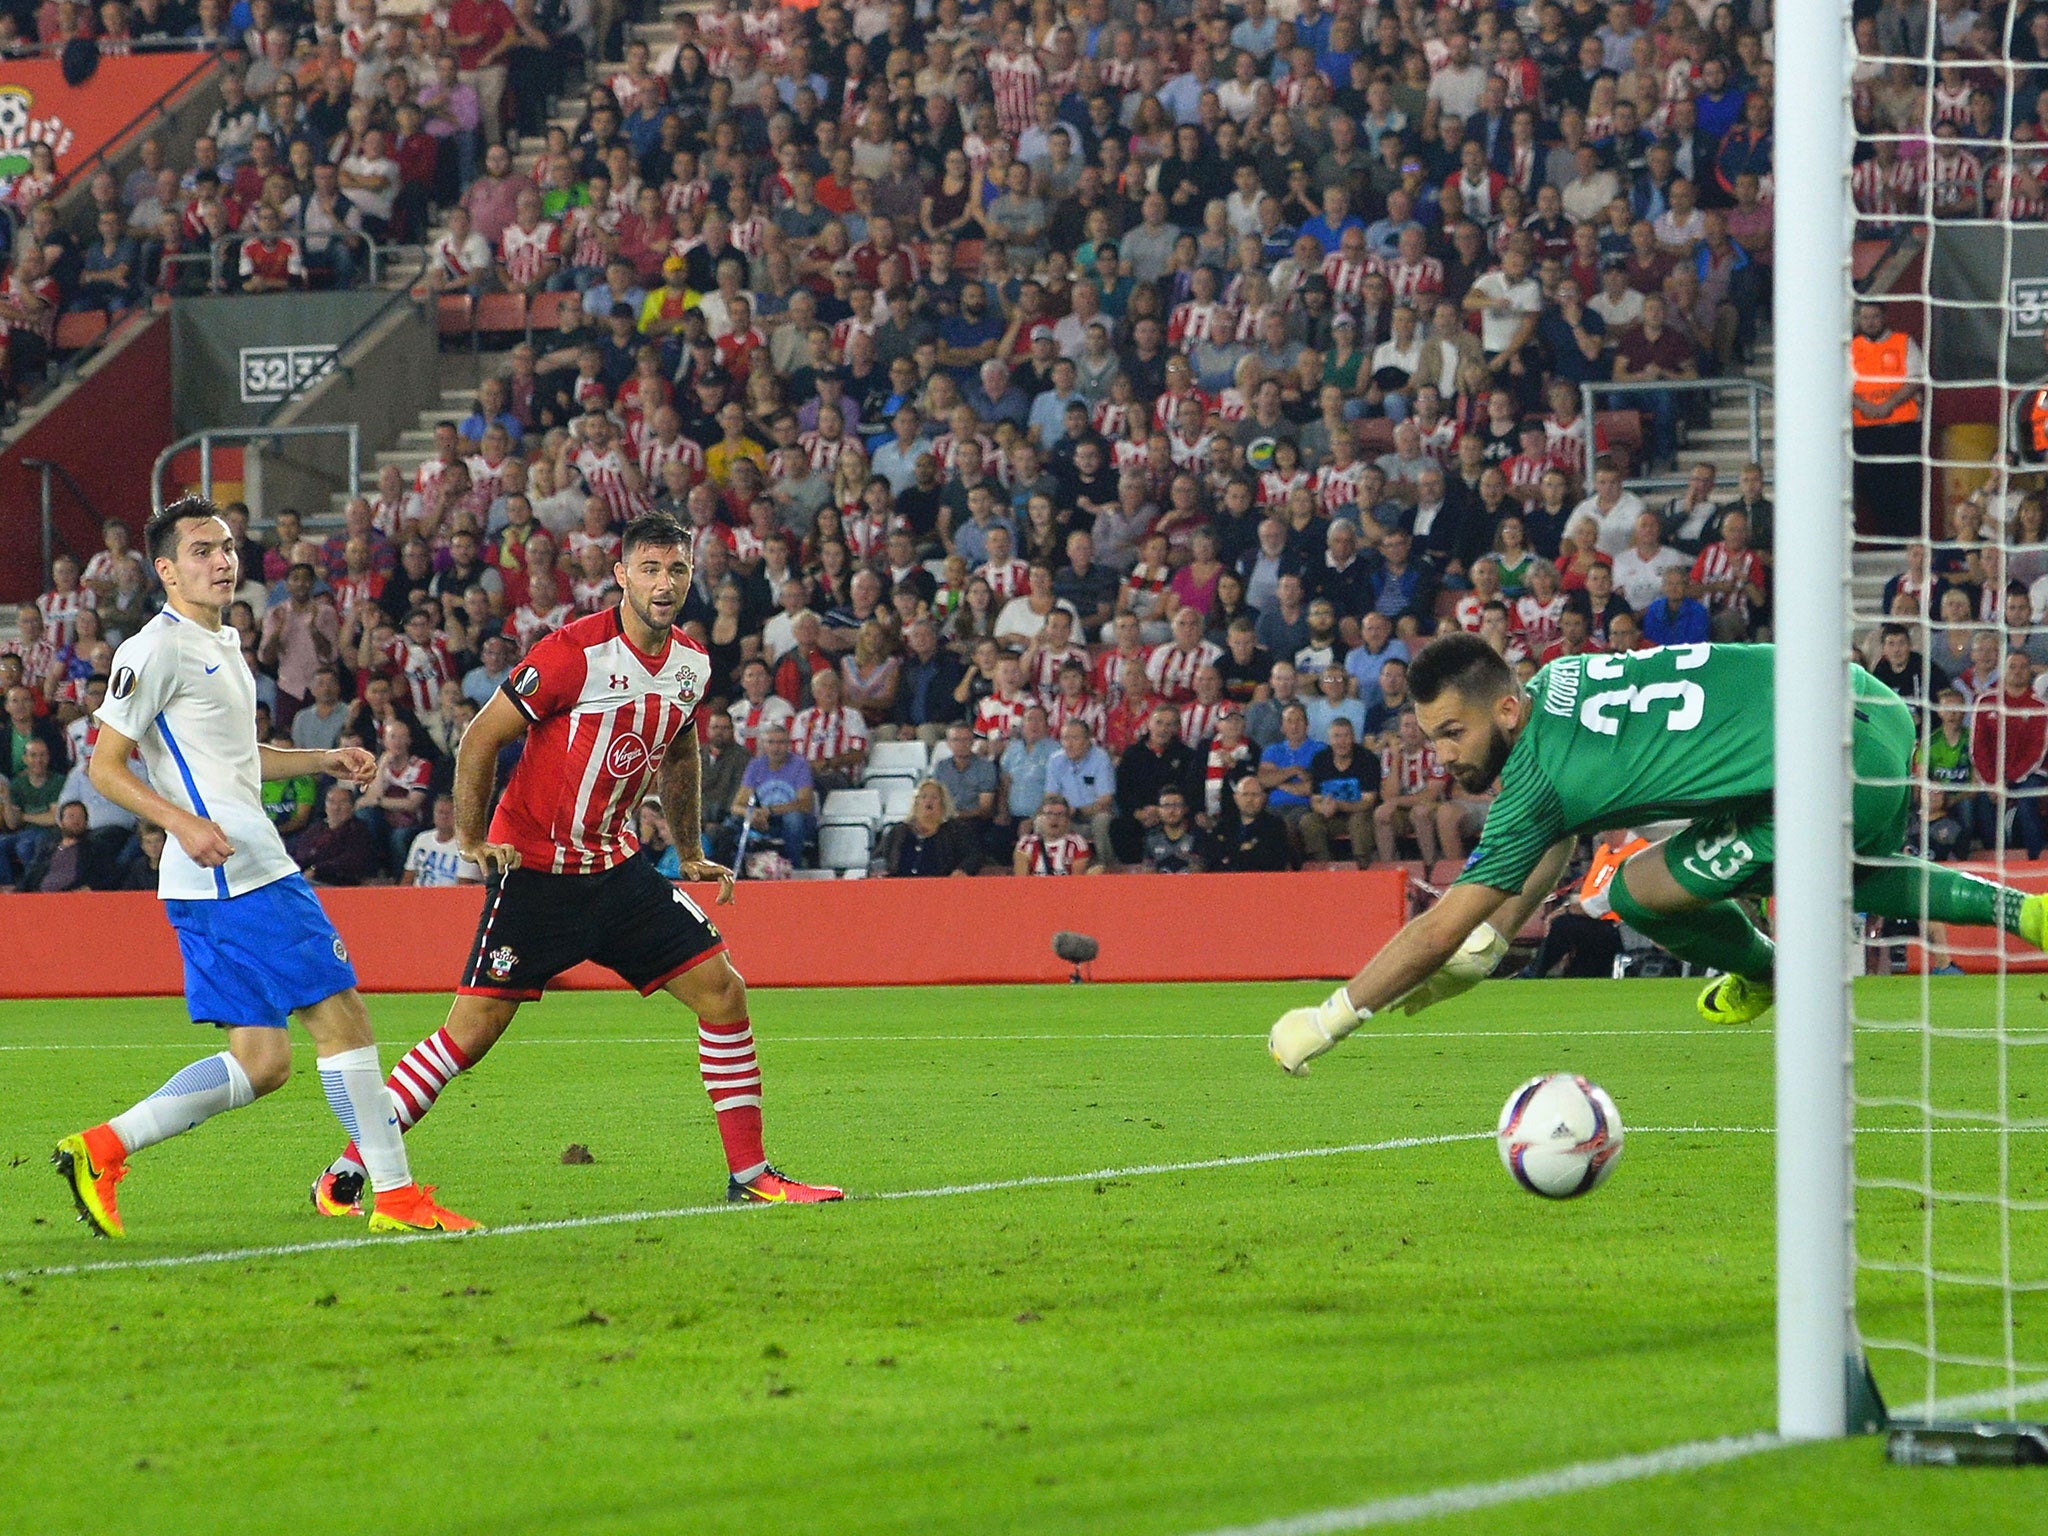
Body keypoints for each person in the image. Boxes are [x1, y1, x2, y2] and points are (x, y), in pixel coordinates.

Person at [311, 514, 841, 1212]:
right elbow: (479, 739)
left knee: (724, 992)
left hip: (618, 872)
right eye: (649, 569)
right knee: (467, 1036)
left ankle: (751, 1176)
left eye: (676, 570)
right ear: (621, 575)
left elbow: (680, 749)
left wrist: (689, 850)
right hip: (535, 874)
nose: (663, 583)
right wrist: (471, 840)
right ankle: (347, 1170)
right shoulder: (571, 654)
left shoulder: (691, 664)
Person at [1268, 635, 2048, 1076]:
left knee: (1639, 893)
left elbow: (1437, 928)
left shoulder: (1536, 779)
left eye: (1452, 734)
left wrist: (1332, 1016)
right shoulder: (1559, 680)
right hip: (1870, 707)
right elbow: (1561, 833)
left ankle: (1764, 971)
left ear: (1505, 711)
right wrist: (1501, 938)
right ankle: (2029, 911)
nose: (1442, 758)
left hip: (1822, 761)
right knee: (1844, 865)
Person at [52, 498, 473, 1239]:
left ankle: (101, 1148)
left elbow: (237, 761)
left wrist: (323, 760)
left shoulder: (222, 642)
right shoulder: (154, 648)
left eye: (225, 548)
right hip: (236, 869)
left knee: (262, 1059)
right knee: (341, 1016)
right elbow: (106, 766)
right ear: (165, 571)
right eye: (201, 551)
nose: (220, 561)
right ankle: (398, 1198)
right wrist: (180, 822)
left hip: (214, 877)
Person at [1520, 828, 1650, 978]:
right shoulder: (1604, 851)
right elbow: (1591, 892)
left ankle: (1533, 972)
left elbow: (1607, 901)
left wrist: (1567, 910)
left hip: (1620, 928)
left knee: (1563, 924)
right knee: (1577, 970)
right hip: (1593, 923)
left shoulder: (1638, 854)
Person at [871, 779, 983, 877]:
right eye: (923, 796)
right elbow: (879, 857)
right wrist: (879, 869)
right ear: (916, 803)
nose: (928, 801)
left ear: (943, 804)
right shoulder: (898, 831)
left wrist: (962, 870)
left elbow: (974, 855)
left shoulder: (955, 830)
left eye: (934, 797)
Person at [402, 793, 481, 887]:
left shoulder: (467, 845)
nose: (444, 817)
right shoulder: (422, 839)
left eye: (449, 813)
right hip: (417, 897)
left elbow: (464, 886)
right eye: (440, 812)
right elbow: (408, 877)